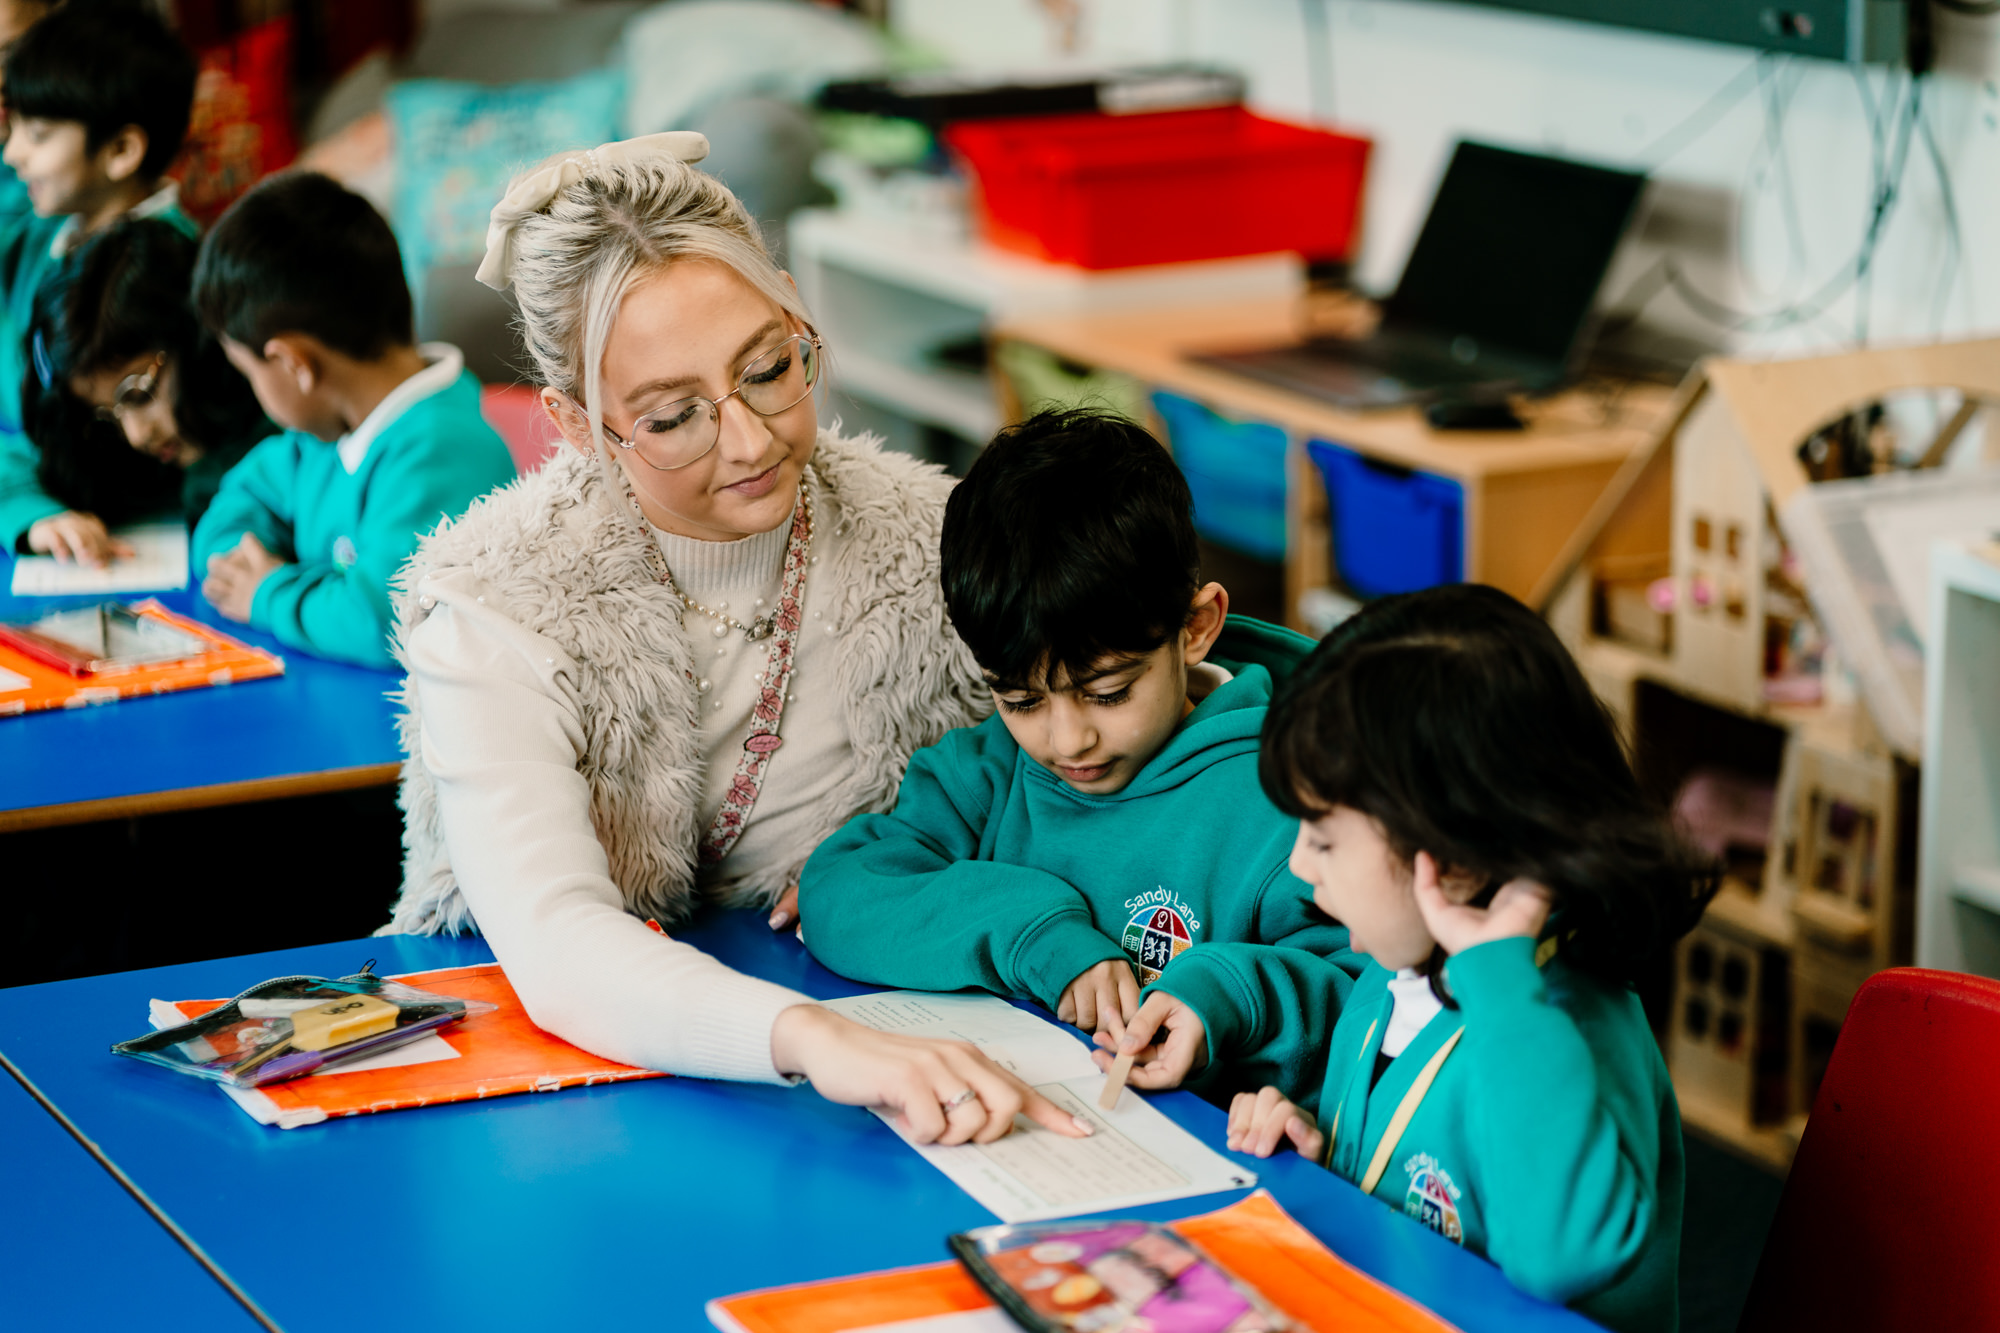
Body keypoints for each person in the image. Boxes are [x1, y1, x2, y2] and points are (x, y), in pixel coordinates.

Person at [377, 130, 1089, 1146]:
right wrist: (814, 1038)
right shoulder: (494, 607)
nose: (751, 440)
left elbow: (1081, 778)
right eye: (672, 418)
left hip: (885, 1032)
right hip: (568, 1086)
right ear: (576, 425)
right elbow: (556, 943)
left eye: (769, 369)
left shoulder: (933, 541)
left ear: (797, 316)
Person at [1099, 585, 1717, 1333]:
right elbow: (1419, 1171)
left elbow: (1560, 1256)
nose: (1300, 866)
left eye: (1324, 839)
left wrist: (1503, 990)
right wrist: (1321, 1148)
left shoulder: (1569, 1024)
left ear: (1452, 860)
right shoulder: (1393, 980)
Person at [798, 409, 1352, 1041]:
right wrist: (1034, 935)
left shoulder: (1297, 800)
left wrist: (1222, 999)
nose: (1065, 742)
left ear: (1196, 628)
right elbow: (839, 892)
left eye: (1108, 693)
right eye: (1021, 701)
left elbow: (1367, 997)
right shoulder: (989, 773)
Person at [188, 171, 515, 669]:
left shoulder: (444, 451)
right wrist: (238, 564)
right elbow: (238, 501)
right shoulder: (319, 438)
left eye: (248, 373)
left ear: (295, 364)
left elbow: (385, 620)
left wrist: (267, 592)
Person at [0, 0, 197, 563]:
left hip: (145, 544)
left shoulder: (176, 278)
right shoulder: (34, 242)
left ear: (120, 150)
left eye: (36, 134)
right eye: (12, 127)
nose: (12, 153)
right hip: (45, 520)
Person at [24, 217, 267, 532]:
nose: (137, 436)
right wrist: (40, 521)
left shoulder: (285, 428)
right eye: (106, 417)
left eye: (140, 394)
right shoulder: (130, 458)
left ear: (197, 342)